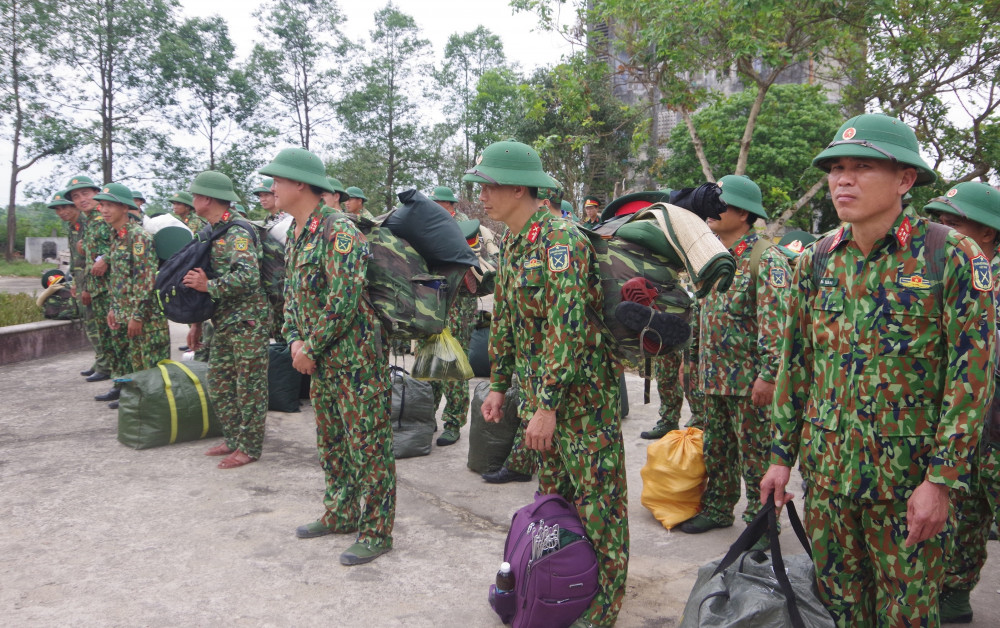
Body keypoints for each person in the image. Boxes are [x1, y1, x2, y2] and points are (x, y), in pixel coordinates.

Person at [760, 114, 996, 626]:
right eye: (837, 168)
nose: (844, 179)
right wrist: (781, 455)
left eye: (862, 167)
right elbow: (796, 365)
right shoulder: (816, 261)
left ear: (905, 179)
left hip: (907, 483)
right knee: (838, 610)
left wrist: (942, 480)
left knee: (907, 614)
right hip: (827, 479)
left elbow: (971, 377)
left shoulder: (949, 255)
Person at [467, 140, 628, 628]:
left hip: (582, 401)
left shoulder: (561, 241)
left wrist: (548, 405)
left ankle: (605, 606)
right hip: (546, 398)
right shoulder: (516, 241)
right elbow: (509, 321)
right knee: (556, 499)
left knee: (599, 501)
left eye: (490, 185)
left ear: (520, 187)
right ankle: (563, 582)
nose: (482, 196)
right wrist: (499, 384)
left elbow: (569, 327)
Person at [260, 147, 396, 566]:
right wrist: (295, 340)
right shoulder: (296, 232)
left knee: (367, 447)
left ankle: (376, 531)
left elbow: (345, 299)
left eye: (277, 181)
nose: (271, 189)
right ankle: (339, 513)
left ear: (300, 184)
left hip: (354, 362)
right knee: (333, 443)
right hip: (318, 361)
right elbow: (292, 299)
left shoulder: (340, 231)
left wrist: (310, 346)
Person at [679, 175, 791, 543]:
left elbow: (777, 324)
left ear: (742, 213)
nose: (710, 209)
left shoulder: (766, 259)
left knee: (757, 457)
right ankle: (717, 508)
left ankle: (761, 523)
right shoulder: (712, 257)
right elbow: (700, 314)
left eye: (720, 203)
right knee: (717, 449)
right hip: (713, 378)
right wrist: (690, 361)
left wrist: (769, 375)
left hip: (749, 383)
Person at [924, 181, 1000, 623]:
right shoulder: (944, 274)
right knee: (966, 520)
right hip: (968, 430)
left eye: (953, 222)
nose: (941, 229)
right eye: (939, 220)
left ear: (988, 233)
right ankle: (956, 592)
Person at [182, 171, 270, 470]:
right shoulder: (211, 230)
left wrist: (210, 287)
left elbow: (248, 277)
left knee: (249, 387)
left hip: (248, 322)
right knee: (219, 381)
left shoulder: (237, 232)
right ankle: (234, 438)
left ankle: (250, 447)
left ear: (207, 198)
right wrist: (196, 323)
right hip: (223, 320)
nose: (191, 200)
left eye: (195, 195)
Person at [93, 183, 170, 408]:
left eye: (110, 205)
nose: (104, 210)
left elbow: (146, 281)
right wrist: (113, 309)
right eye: (102, 205)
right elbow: (119, 278)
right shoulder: (117, 237)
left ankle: (154, 408)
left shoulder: (138, 238)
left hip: (145, 317)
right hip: (123, 312)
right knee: (126, 361)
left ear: (124, 208)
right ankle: (128, 393)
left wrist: (137, 315)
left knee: (149, 366)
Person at [423, 185, 476, 446]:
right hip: (434, 302)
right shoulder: (428, 226)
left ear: (451, 207)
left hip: (460, 305)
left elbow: (476, 266)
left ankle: (453, 422)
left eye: (439, 204)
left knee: (453, 364)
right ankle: (426, 415)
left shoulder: (467, 229)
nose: (434, 207)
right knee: (432, 362)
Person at [65, 175, 114, 385]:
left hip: (109, 287)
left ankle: (111, 369)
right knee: (100, 330)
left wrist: (104, 258)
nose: (81, 199)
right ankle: (105, 364)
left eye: (86, 193)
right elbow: (86, 259)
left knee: (109, 331)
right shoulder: (90, 221)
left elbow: (125, 242)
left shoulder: (105, 217)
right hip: (94, 286)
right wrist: (81, 284)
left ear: (96, 193)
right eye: (76, 196)